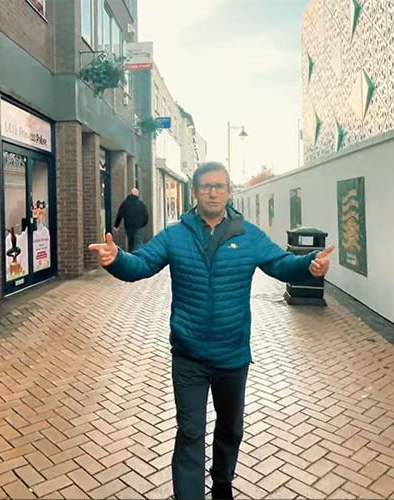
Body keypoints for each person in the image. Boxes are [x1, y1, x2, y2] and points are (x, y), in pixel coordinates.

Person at [89, 161, 334, 500]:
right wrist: (116, 259)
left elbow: (279, 264)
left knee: (230, 427)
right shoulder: (175, 234)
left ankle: (222, 481)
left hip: (233, 354)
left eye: (220, 186)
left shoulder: (248, 235)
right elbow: (141, 264)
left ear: (229, 191)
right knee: (189, 433)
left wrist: (308, 264)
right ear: (195, 192)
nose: (213, 192)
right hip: (188, 355)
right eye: (206, 186)